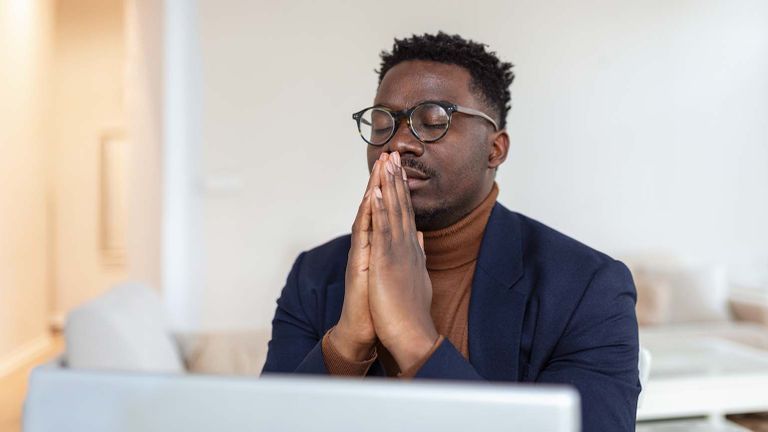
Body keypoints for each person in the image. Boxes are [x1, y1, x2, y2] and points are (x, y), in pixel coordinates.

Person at [262, 32, 640, 430]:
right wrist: (348, 341)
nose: (400, 142)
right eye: (382, 123)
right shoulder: (314, 274)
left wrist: (413, 337)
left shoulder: (587, 288)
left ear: (495, 150)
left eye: (432, 122)